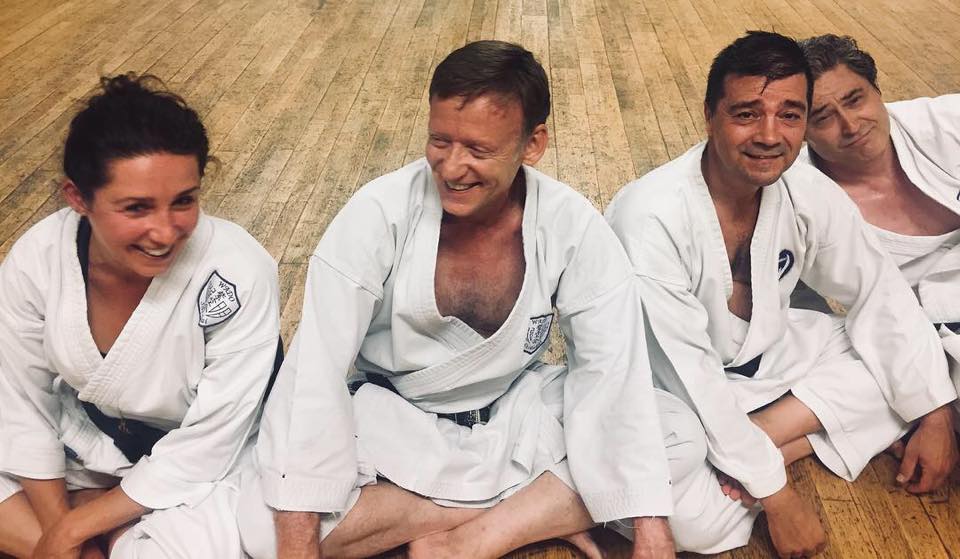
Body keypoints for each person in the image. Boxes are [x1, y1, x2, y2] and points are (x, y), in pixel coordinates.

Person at [239, 40, 701, 559]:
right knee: (262, 526)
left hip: (515, 411)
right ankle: (521, 512)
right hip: (397, 419)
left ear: (533, 144)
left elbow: (610, 372)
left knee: (678, 433)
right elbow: (315, 372)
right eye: (440, 141)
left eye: (478, 151)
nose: (452, 168)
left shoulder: (571, 226)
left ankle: (470, 541)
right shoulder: (379, 213)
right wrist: (298, 541)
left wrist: (651, 531)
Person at [605, 31, 958, 558]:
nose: (770, 135)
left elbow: (877, 290)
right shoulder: (650, 216)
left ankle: (763, 440)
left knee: (902, 367)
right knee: (694, 522)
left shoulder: (807, 191)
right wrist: (778, 496)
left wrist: (935, 413)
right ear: (710, 115)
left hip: (769, 360)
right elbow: (688, 373)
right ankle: (781, 443)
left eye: (790, 115)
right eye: (747, 114)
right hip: (669, 389)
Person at [0, 74, 281, 558]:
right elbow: (22, 404)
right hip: (90, 439)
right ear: (77, 198)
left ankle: (109, 526)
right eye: (136, 208)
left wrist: (71, 531)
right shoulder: (38, 258)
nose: (165, 232)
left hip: (205, 462)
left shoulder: (238, 270)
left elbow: (211, 442)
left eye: (184, 201)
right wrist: (62, 532)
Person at [800, 34, 960, 441]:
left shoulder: (946, 123)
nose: (850, 125)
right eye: (823, 117)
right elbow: (874, 305)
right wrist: (932, 410)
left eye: (855, 99)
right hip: (928, 329)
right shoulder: (802, 200)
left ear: (877, 90)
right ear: (801, 130)